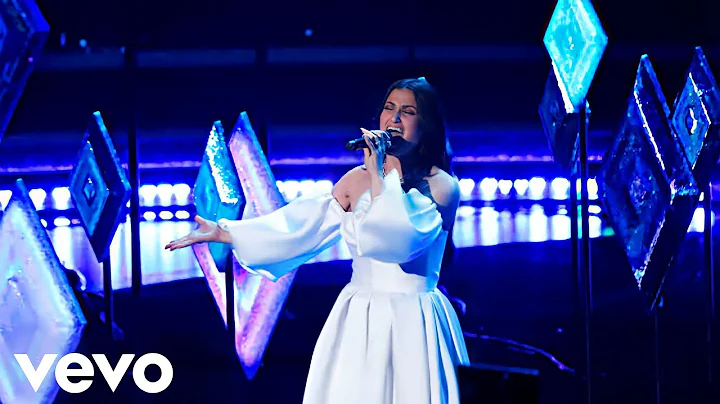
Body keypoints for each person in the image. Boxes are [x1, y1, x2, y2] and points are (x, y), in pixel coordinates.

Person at [166, 77, 469, 403]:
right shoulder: (357, 179)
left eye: (407, 112)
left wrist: (381, 174)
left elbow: (395, 240)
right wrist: (228, 232)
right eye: (389, 108)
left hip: (413, 318)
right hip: (360, 315)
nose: (393, 119)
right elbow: (302, 227)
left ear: (428, 125)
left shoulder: (441, 186)